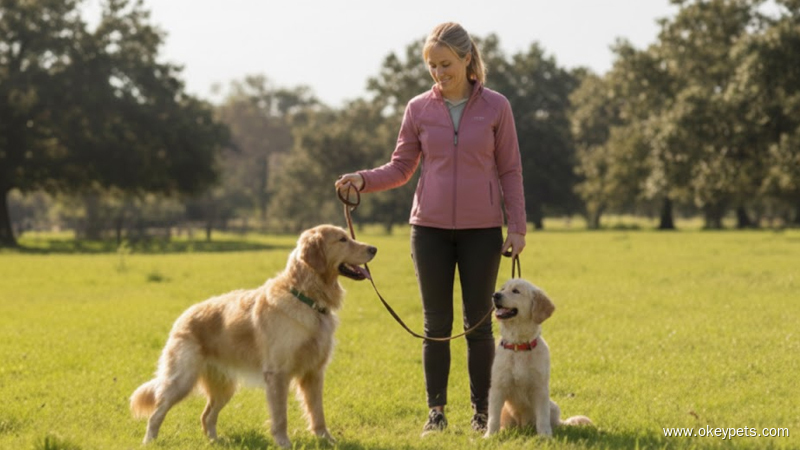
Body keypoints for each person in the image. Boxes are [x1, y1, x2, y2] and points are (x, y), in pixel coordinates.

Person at [335, 22, 526, 436]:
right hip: (430, 230)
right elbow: (402, 167)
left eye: (445, 64)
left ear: (466, 59)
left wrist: (518, 227)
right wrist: (363, 180)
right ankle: (436, 414)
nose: (439, 73)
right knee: (435, 325)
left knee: (479, 322)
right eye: (431, 66)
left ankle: (482, 415)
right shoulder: (418, 108)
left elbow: (510, 169)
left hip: (483, 230)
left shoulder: (497, 107)